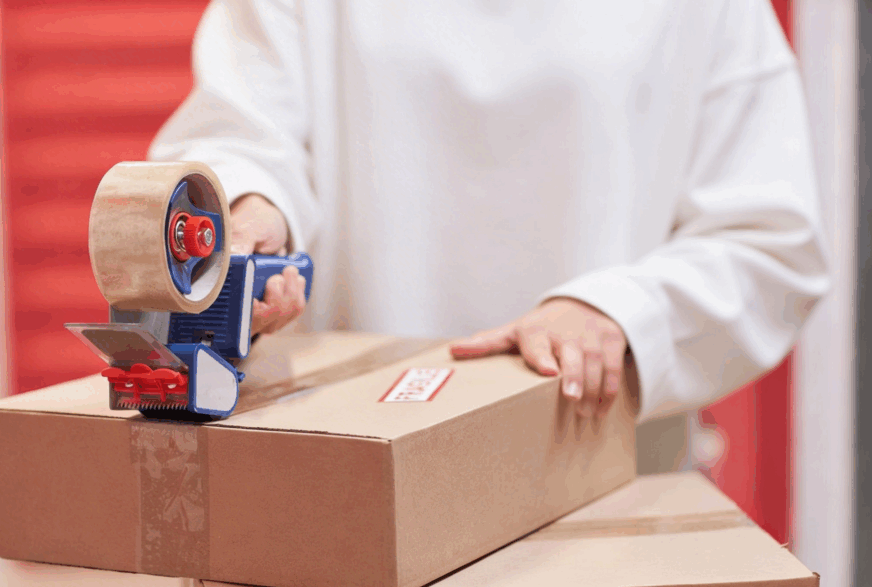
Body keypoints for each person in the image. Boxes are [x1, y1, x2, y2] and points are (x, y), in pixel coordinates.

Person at [148, 0, 828, 424]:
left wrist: (618, 312)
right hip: (345, 456)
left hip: (596, 458)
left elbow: (768, 238)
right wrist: (253, 205)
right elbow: (239, 131)